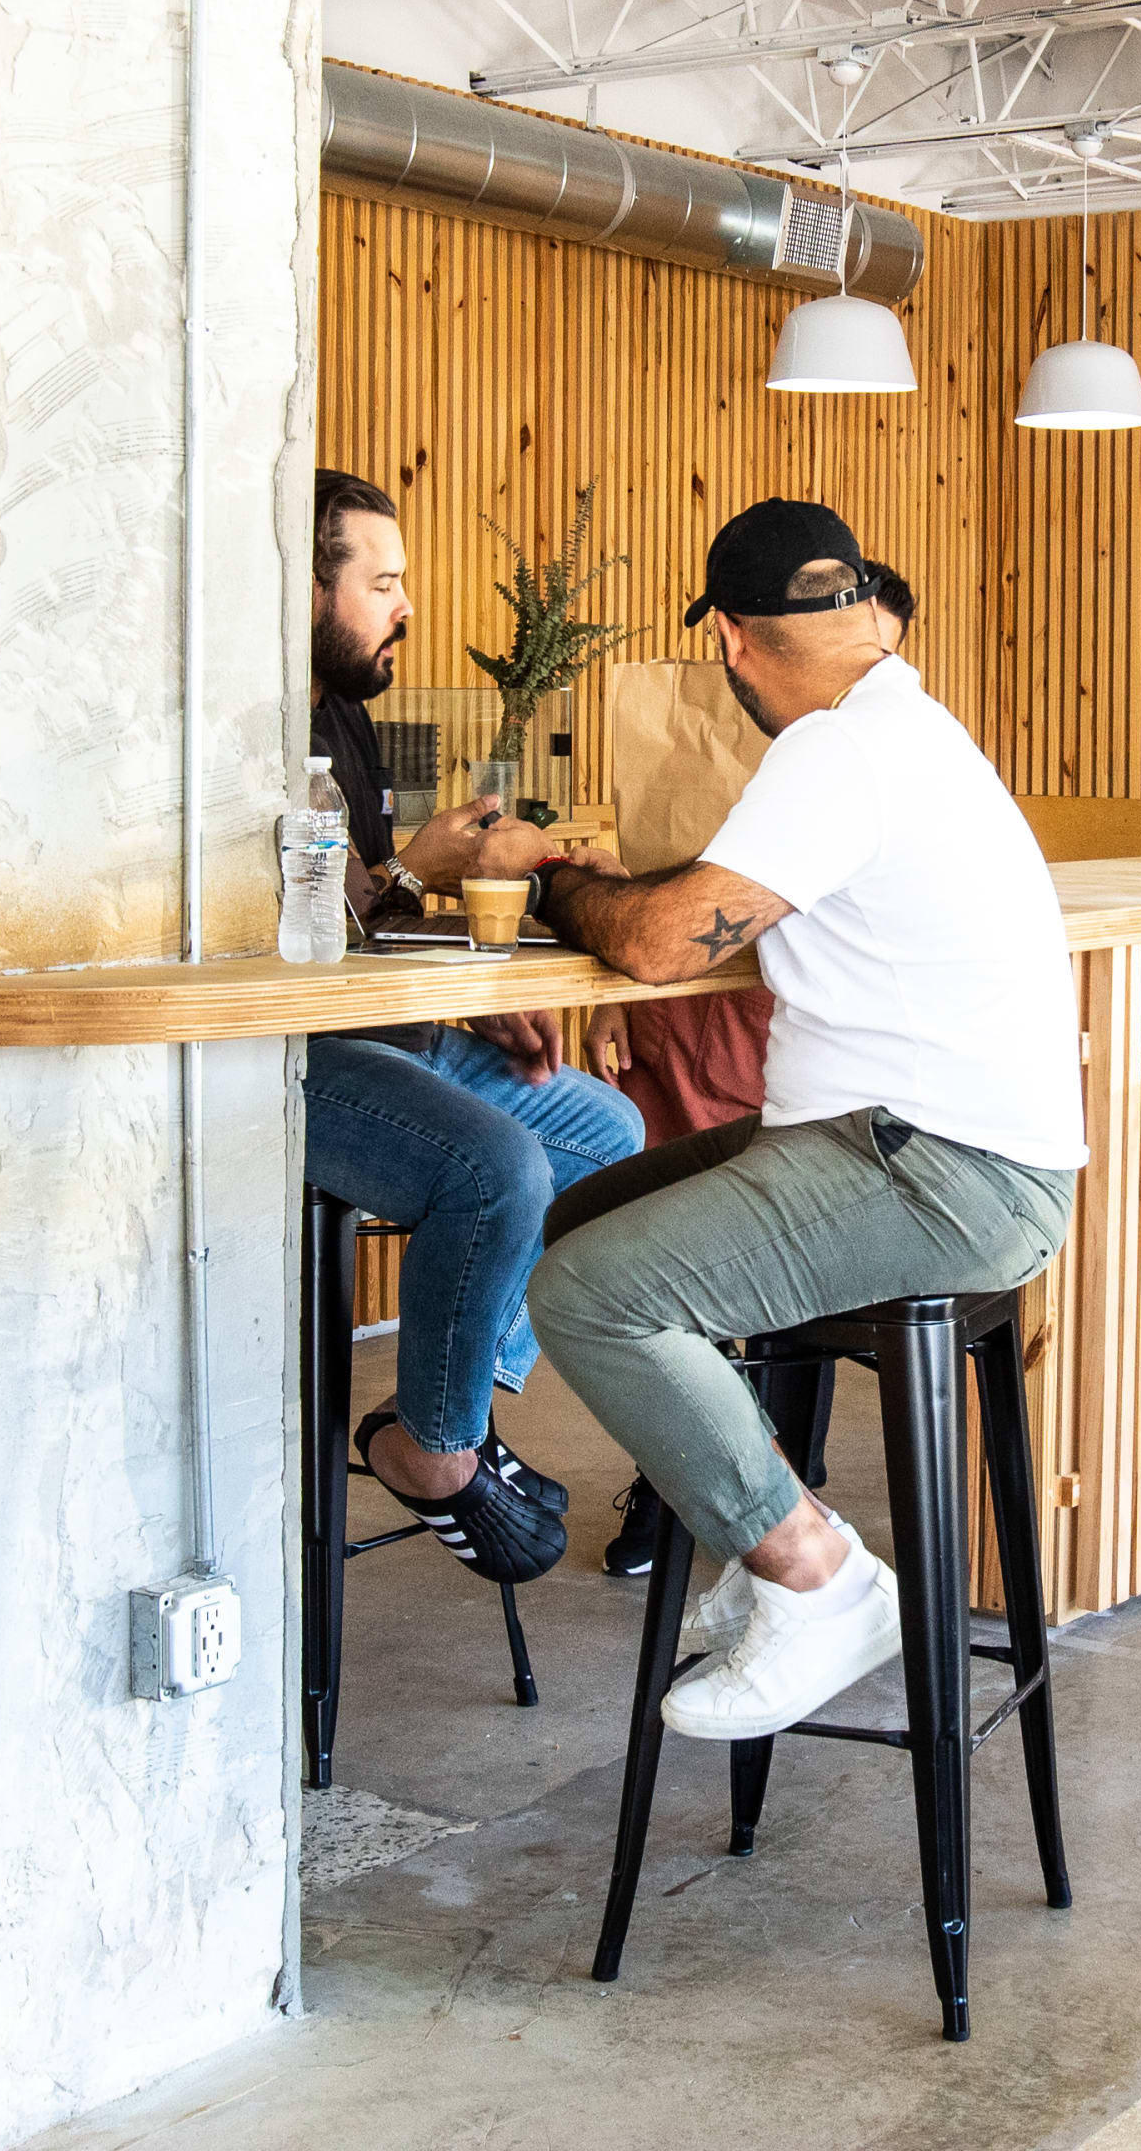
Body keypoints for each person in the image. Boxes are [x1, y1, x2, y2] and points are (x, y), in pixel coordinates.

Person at [489, 501, 1081, 1737]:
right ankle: (748, 1520)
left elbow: (658, 944)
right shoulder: (903, 728)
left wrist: (556, 890)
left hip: (941, 1170)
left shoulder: (839, 751)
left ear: (726, 638)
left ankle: (817, 1579)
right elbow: (718, 904)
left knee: (595, 1295)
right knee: (583, 1215)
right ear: (865, 610)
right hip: (911, 1142)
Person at [306, 469, 647, 1583]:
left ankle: (454, 1407)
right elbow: (280, 934)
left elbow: (369, 922)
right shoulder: (234, 728)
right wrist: (418, 866)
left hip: (391, 1030)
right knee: (498, 1168)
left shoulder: (349, 719)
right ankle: (443, 1458)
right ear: (304, 591)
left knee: (605, 1135)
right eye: (384, 583)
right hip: (279, 1059)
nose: (406, 607)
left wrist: (475, 995)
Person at [591, 549, 920, 1578]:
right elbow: (654, 916)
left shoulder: (871, 758)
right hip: (688, 1015)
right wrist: (599, 997)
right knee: (637, 1253)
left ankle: (786, 1494)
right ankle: (688, 1479)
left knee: (771, 1278)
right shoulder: (809, 743)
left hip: (797, 1034)